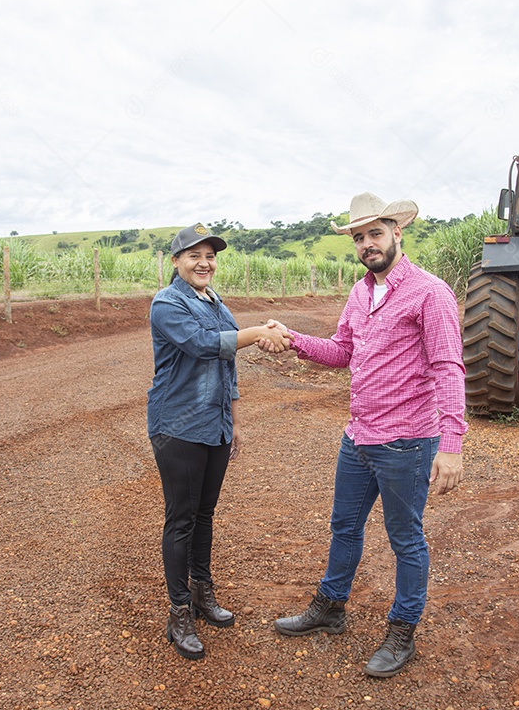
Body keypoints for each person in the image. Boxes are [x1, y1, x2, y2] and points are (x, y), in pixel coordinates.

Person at [262, 192, 467, 677]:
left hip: (407, 442)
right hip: (358, 437)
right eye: (359, 237)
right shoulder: (360, 292)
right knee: (344, 526)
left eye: (375, 233)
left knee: (405, 540)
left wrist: (452, 445)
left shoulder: (429, 292)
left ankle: (403, 631)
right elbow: (341, 351)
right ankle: (331, 608)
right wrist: (294, 340)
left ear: (399, 233)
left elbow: (448, 368)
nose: (367, 244)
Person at [148, 222, 289, 661]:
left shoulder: (217, 303)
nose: (204, 262)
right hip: (178, 426)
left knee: (204, 513)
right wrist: (261, 333)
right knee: (181, 519)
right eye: (193, 255)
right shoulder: (167, 304)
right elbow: (206, 346)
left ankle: (202, 592)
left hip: (215, 426)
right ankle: (179, 612)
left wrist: (236, 421)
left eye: (210, 256)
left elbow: (227, 369)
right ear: (175, 262)